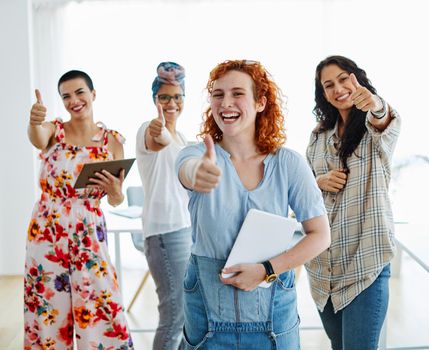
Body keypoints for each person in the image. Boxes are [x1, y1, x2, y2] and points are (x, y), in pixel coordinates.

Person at [176, 59, 331, 349]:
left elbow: (320, 235)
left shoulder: (289, 164)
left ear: (260, 102)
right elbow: (187, 170)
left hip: (274, 321)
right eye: (218, 94)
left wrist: (266, 270)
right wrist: (198, 173)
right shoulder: (196, 155)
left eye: (237, 93)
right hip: (207, 320)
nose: (226, 103)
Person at [25, 70, 133, 349]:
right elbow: (37, 137)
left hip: (89, 231)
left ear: (93, 94)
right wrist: (34, 120)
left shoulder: (113, 142)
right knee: (48, 306)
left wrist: (117, 192)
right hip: (48, 231)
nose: (74, 100)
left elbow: (117, 199)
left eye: (79, 92)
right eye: (66, 96)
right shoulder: (53, 130)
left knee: (100, 304)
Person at [305, 55, 401, 350]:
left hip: (364, 265)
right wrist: (318, 183)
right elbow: (302, 191)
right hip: (324, 272)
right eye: (328, 85)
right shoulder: (319, 136)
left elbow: (384, 118)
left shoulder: (375, 130)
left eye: (343, 79)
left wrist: (375, 104)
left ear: (356, 78)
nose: (338, 89)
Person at [135, 61, 192, 350]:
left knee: (185, 317)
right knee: (174, 316)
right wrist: (161, 131)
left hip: (185, 229)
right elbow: (158, 139)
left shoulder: (183, 139)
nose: (171, 103)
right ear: (154, 100)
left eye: (177, 97)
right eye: (164, 97)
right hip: (165, 233)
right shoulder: (149, 128)